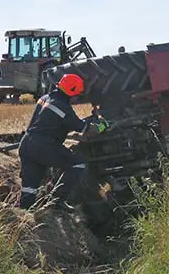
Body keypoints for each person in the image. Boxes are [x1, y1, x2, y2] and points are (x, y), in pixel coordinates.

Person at [18, 73, 107, 210]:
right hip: (43, 146)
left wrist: (89, 119)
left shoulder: (45, 98)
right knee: (77, 164)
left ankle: (25, 213)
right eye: (78, 94)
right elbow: (84, 129)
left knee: (29, 187)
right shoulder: (63, 107)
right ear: (72, 91)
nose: (77, 97)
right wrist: (103, 125)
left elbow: (58, 121)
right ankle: (56, 201)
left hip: (26, 144)